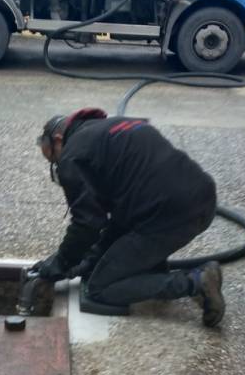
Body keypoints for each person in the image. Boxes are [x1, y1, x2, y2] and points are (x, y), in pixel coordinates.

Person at [34, 108, 225, 325]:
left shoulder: (73, 155)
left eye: (54, 159)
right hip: (200, 201)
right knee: (116, 263)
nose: (59, 165)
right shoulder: (114, 128)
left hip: (168, 216)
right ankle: (152, 271)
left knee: (100, 288)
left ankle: (195, 281)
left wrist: (60, 262)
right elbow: (118, 221)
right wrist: (86, 263)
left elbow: (87, 224)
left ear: (59, 139)